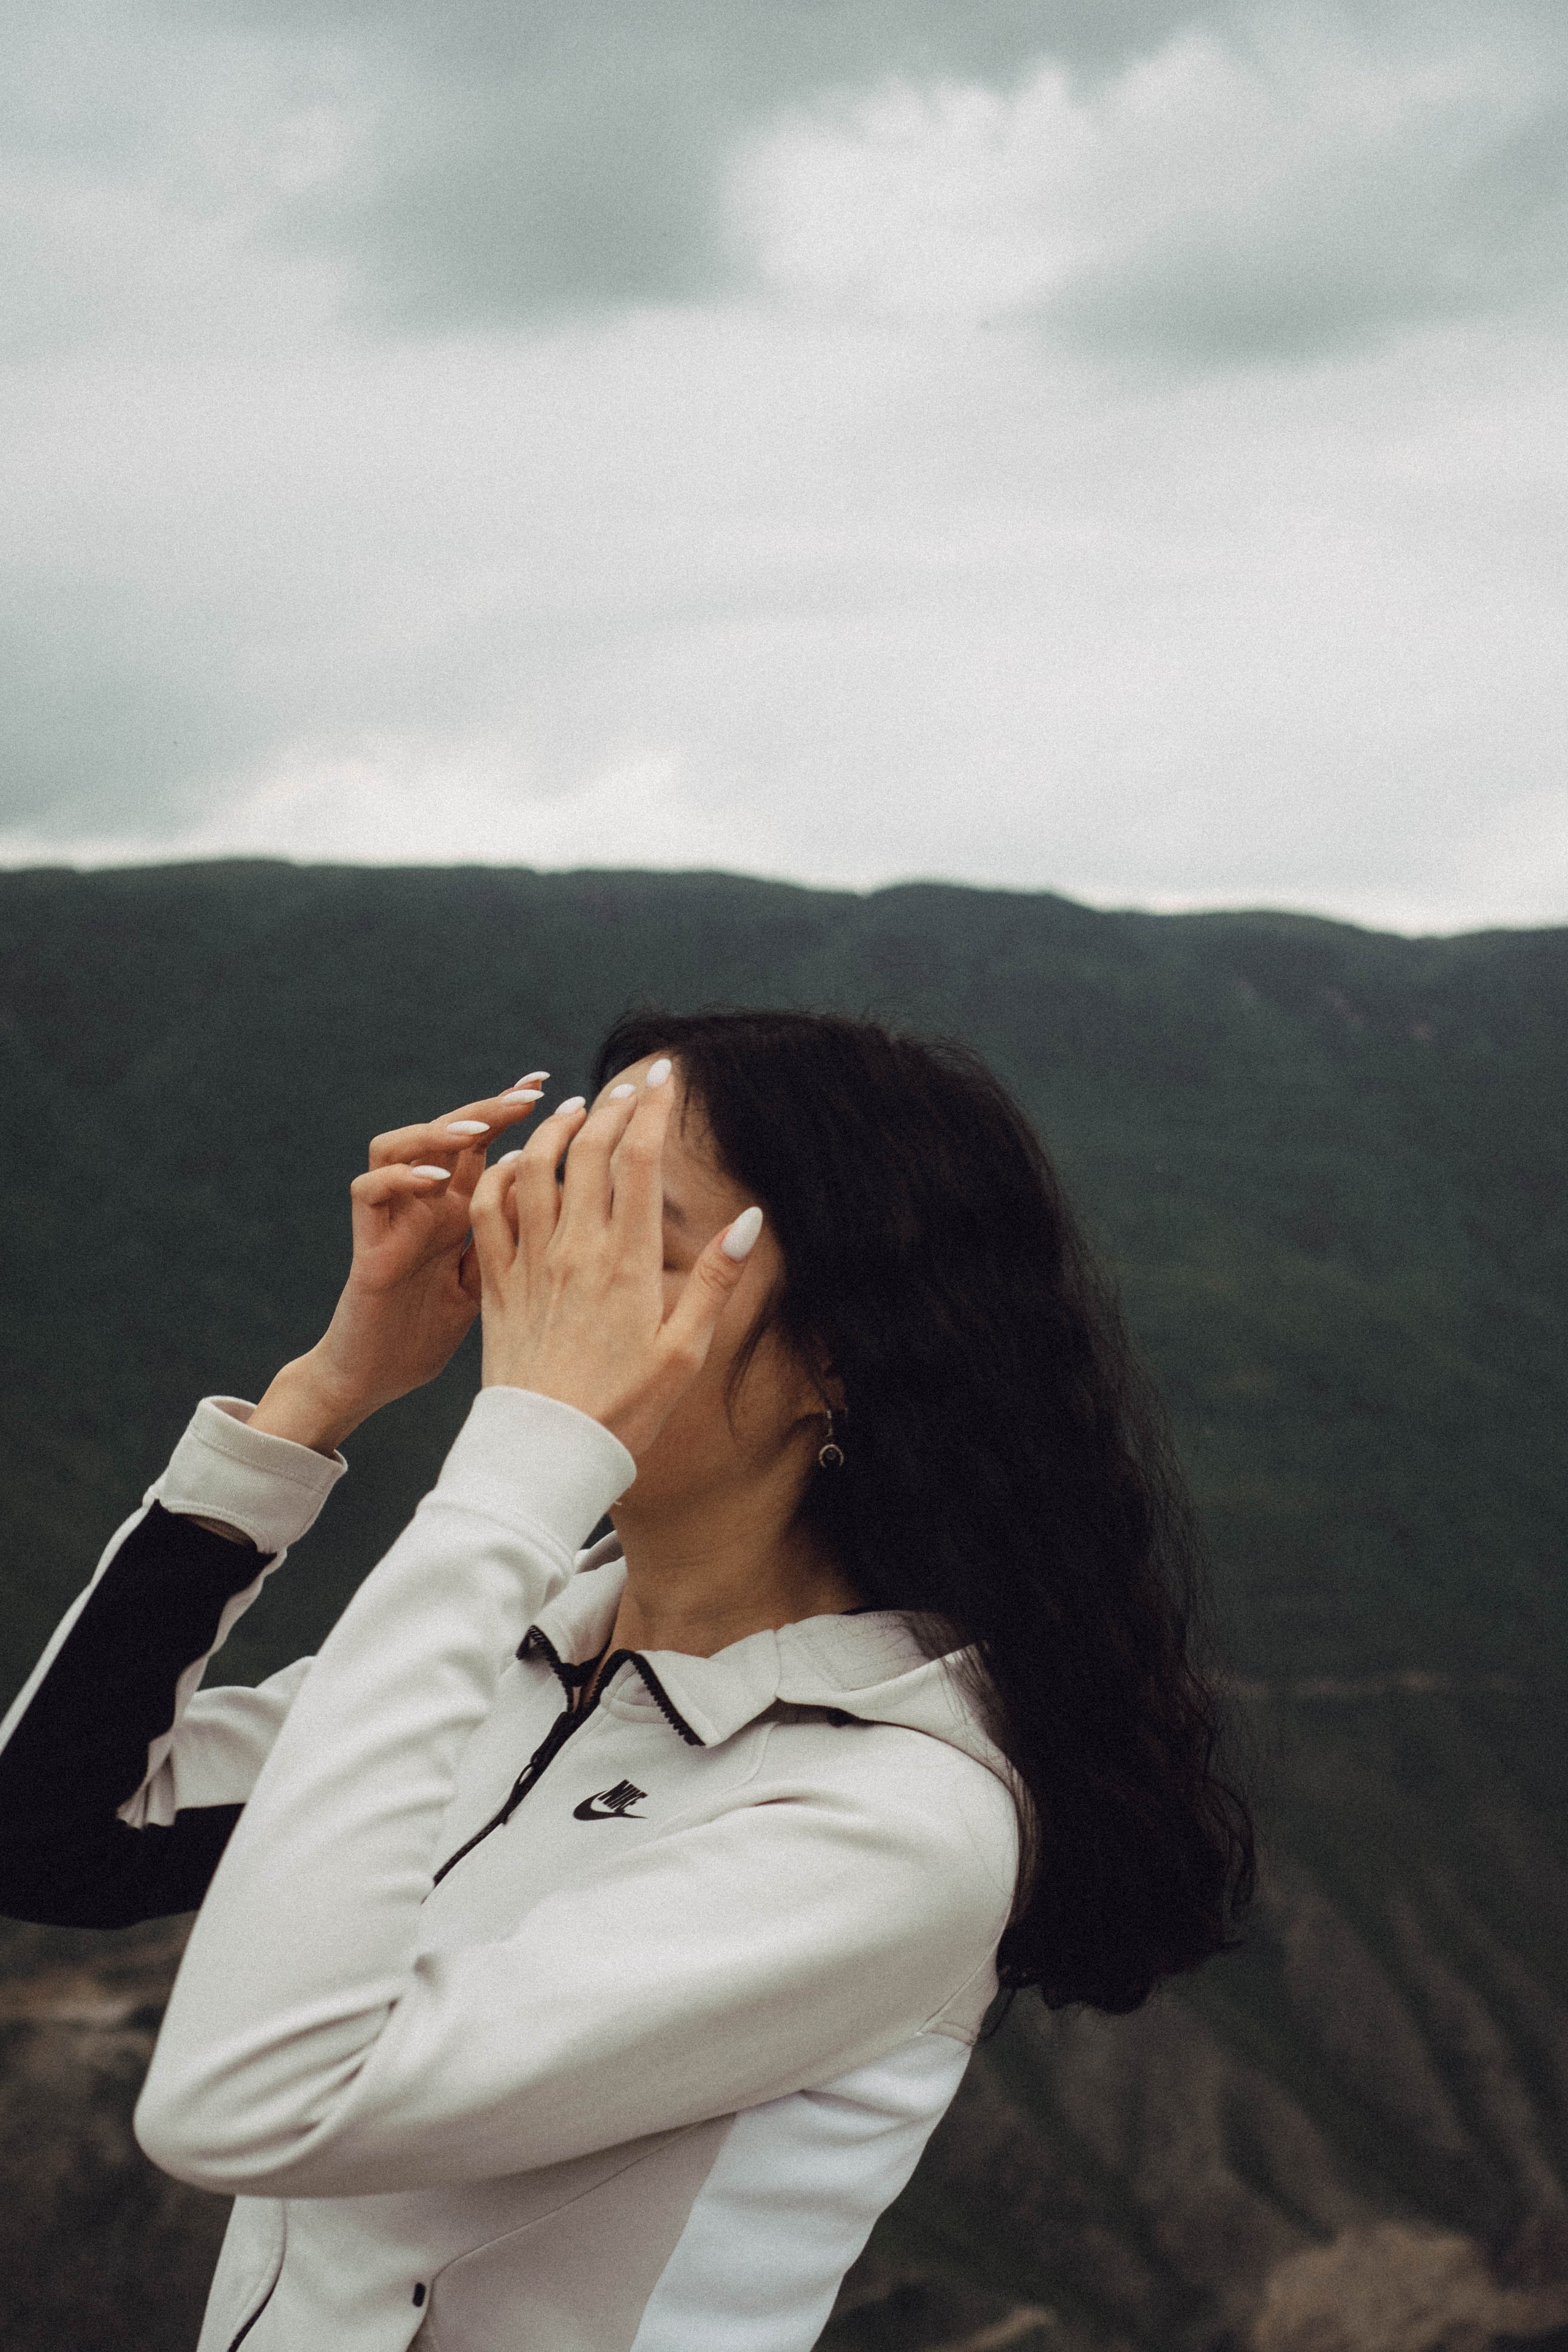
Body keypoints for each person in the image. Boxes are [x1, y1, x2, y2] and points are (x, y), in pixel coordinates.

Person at [0, 1007, 1253, 2352]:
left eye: (621, 1240)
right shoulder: (530, 1647)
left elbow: (241, 2103)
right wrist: (324, 1392)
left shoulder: (888, 1819)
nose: (542, 1278)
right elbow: (55, 1836)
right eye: (553, 1206)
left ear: (833, 1350)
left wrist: (514, 1474)